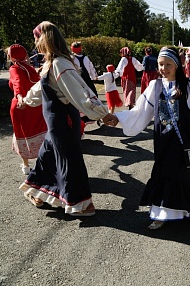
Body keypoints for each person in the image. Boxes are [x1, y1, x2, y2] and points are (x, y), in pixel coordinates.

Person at [110, 47, 190, 229]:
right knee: (163, 172)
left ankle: (187, 209)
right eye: (161, 64)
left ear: (176, 65)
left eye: (168, 64)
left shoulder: (186, 85)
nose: (164, 68)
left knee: (185, 173)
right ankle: (161, 213)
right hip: (163, 141)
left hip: (183, 141)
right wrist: (118, 118)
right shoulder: (154, 86)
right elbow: (140, 111)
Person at [18, 21, 116, 215]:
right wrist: (26, 101)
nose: (35, 43)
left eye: (37, 38)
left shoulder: (59, 64)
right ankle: (39, 192)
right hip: (55, 123)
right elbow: (40, 90)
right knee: (47, 157)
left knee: (68, 161)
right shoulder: (53, 63)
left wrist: (102, 114)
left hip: (62, 122)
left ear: (44, 39)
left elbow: (81, 92)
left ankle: (83, 205)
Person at [8, 44, 47, 174]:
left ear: (11, 57)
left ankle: (25, 165)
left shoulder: (14, 68)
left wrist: (19, 97)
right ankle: (43, 162)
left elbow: (17, 83)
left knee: (22, 133)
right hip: (34, 104)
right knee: (39, 131)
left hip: (21, 106)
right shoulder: (29, 68)